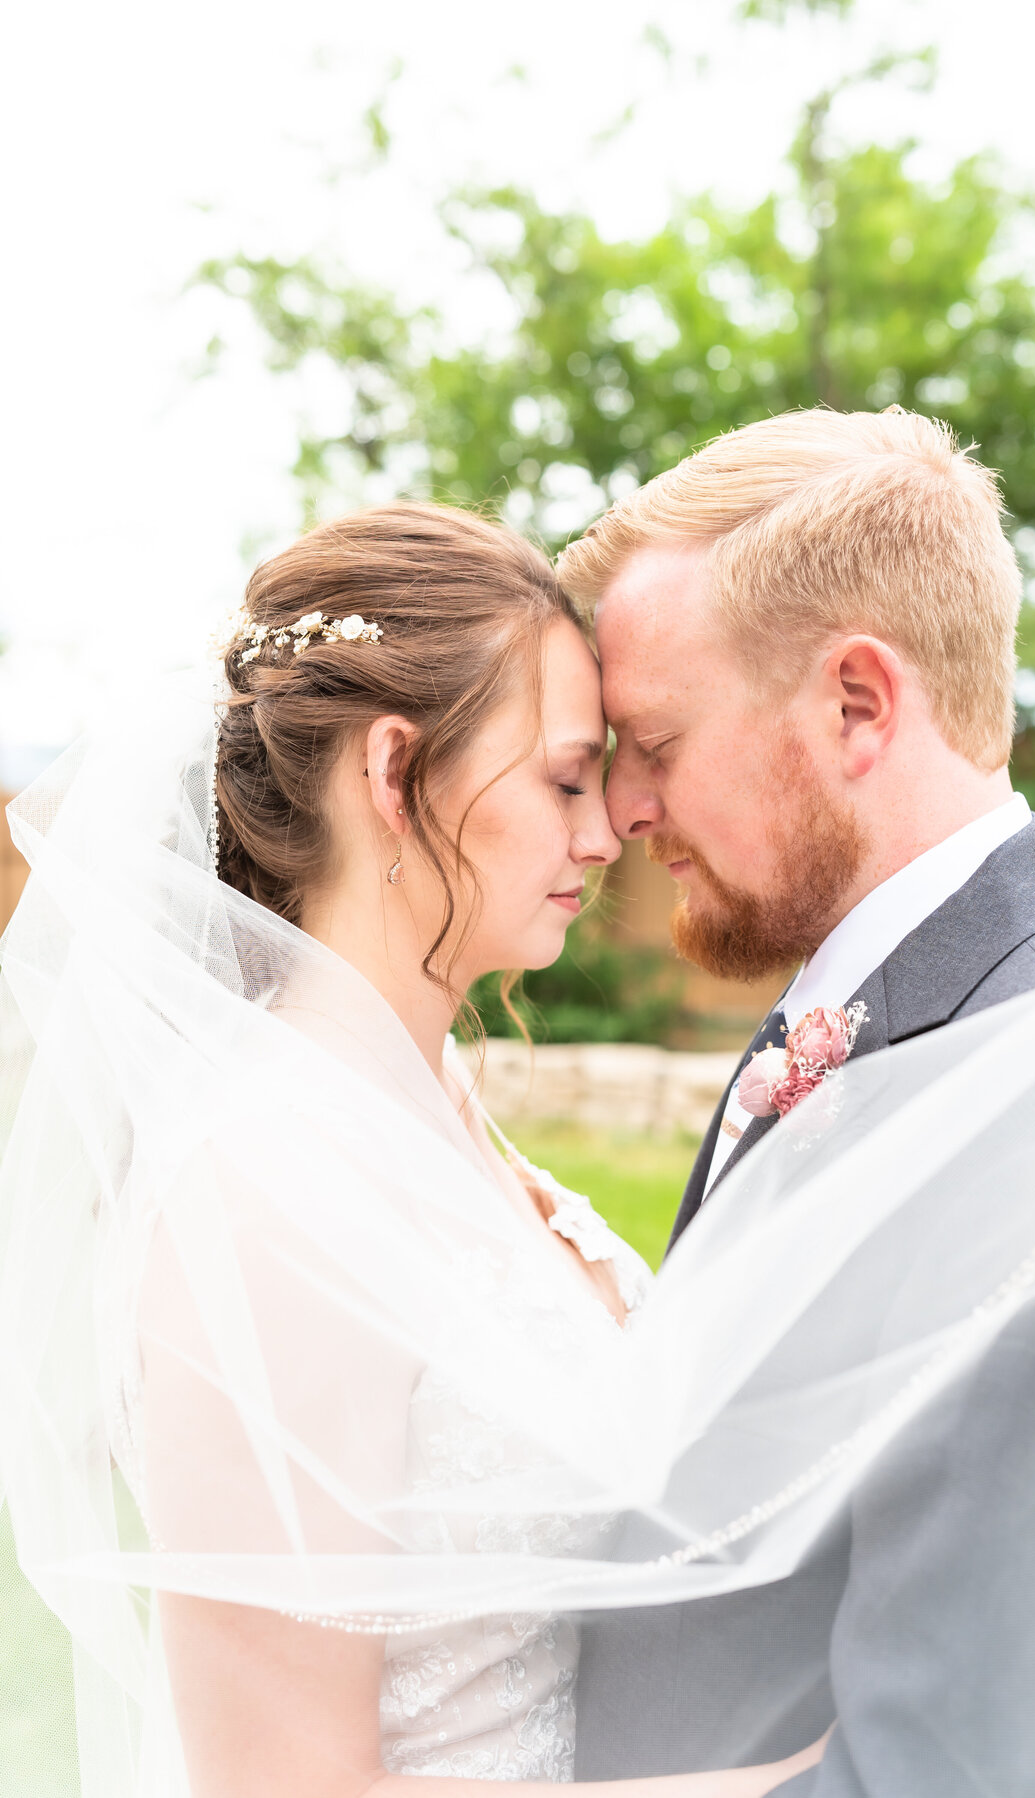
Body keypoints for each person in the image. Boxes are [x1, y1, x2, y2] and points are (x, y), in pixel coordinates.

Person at [0, 501, 823, 1797]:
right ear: (393, 774)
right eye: (562, 778)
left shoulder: (426, 1101)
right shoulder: (266, 1188)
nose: (605, 831)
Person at [556, 408, 1035, 1793]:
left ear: (857, 702)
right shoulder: (858, 1002)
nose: (625, 810)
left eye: (652, 738)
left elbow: (973, 1758)